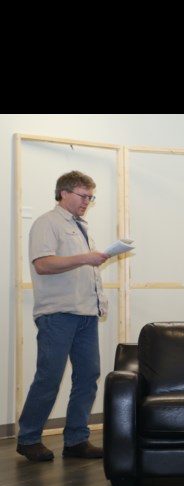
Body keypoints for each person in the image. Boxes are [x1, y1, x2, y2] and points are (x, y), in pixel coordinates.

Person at [17, 171, 110, 462]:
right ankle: (29, 438)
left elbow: (85, 271)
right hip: (58, 314)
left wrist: (99, 302)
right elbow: (43, 264)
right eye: (84, 196)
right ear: (64, 193)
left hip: (86, 314)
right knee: (49, 377)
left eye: (91, 197)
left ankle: (76, 440)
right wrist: (86, 257)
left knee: (88, 376)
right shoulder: (48, 223)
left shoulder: (81, 227)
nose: (87, 202)